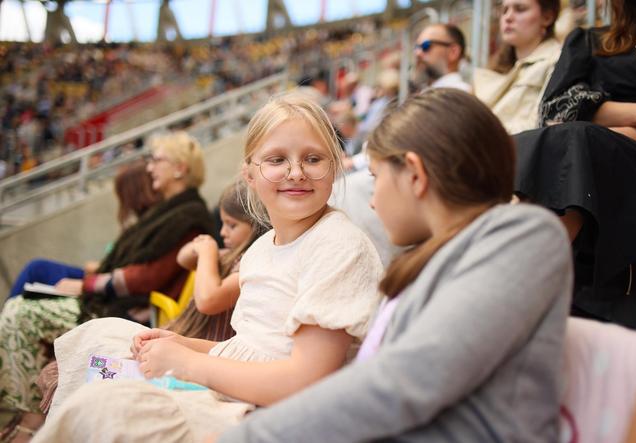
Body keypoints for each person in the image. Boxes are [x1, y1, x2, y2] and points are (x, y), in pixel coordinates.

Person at [210, 88, 573, 442]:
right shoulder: (437, 257)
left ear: (414, 174)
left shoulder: (524, 235)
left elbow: (404, 382)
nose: (371, 202)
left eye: (376, 179)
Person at [32, 91, 384, 443]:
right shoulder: (261, 249)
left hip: (272, 415)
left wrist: (187, 363)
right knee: (100, 336)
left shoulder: (339, 246)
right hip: (240, 390)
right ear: (250, 174)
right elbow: (247, 349)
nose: (296, 172)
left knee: (108, 407)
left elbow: (303, 381)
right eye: (277, 159)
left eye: (313, 158)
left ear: (335, 166)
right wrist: (182, 343)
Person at [0, 131, 215, 440]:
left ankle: (31, 419)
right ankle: (30, 412)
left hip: (135, 314)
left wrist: (87, 284)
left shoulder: (188, 216)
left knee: (19, 313)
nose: (150, 167)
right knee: (20, 307)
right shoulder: (171, 210)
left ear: (180, 169)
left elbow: (149, 277)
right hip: (120, 303)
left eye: (157, 160)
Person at [514, 0, 636, 328]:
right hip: (587, 150)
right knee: (532, 143)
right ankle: (513, 269)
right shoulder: (590, 39)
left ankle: (519, 280)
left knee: (574, 142)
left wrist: (614, 126)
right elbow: (554, 109)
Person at [5, 160, 161, 299]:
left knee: (36, 272)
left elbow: (131, 276)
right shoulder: (144, 224)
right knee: (37, 269)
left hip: (108, 291)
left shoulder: (153, 226)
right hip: (105, 279)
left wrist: (87, 282)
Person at [169, 178, 267, 341]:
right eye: (222, 223)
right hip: (190, 337)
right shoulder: (229, 255)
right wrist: (201, 248)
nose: (222, 232)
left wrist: (207, 252)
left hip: (211, 348)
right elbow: (182, 258)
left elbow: (209, 300)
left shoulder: (252, 265)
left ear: (257, 225)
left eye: (231, 225)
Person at [473, 0, 561, 134]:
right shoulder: (494, 68)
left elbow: (541, 125)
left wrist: (477, 131)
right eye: (504, 11)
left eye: (520, 9)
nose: (508, 17)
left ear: (547, 17)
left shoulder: (558, 60)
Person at [412, 23, 472, 93]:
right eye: (416, 47)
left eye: (426, 45)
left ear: (453, 52)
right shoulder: (432, 91)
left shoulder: (458, 94)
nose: (417, 53)